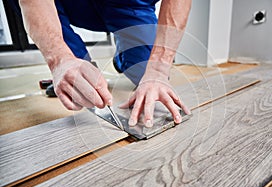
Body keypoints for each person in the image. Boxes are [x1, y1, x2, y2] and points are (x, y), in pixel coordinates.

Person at [11, 0, 191, 128]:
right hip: (75, 3)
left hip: (131, 3)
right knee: (80, 84)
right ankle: (78, 62)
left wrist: (158, 70)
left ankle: (123, 59)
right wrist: (59, 58)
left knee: (146, 71)